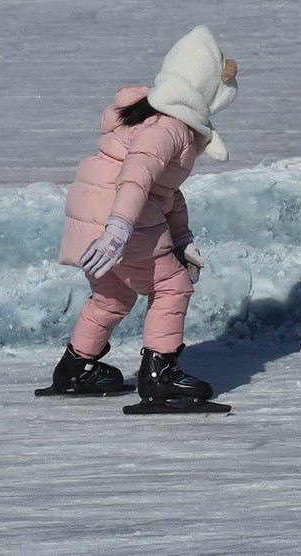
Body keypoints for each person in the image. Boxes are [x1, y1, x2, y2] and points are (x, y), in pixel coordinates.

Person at [39, 26, 238, 407]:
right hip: (118, 214)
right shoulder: (169, 127)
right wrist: (118, 229)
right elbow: (136, 176)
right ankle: (160, 376)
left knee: (111, 296)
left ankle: (75, 368)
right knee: (172, 285)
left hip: (94, 212)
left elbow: (165, 192)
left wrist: (182, 240)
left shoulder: (153, 117)